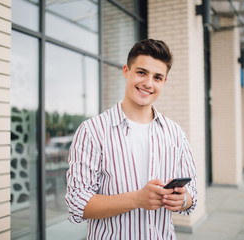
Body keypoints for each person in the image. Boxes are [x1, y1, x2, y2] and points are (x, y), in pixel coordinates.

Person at [65, 39, 197, 239]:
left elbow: (192, 195)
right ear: (126, 70)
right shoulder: (92, 131)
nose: (148, 83)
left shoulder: (175, 133)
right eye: (141, 72)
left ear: (164, 82)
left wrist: (183, 199)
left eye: (157, 77)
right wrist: (136, 199)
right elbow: (77, 203)